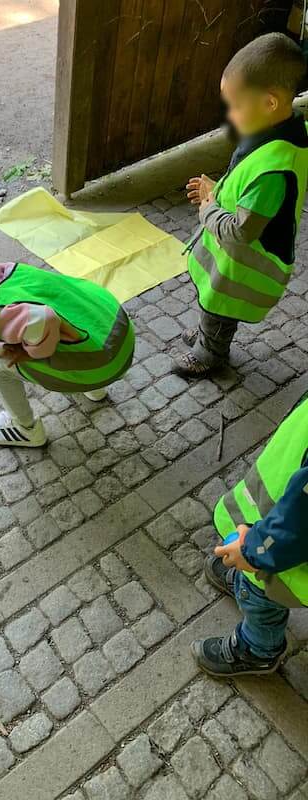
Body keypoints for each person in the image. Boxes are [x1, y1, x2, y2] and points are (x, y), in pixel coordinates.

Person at [0, 209, 135, 447]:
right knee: (69, 319)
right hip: (117, 331)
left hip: (104, 363)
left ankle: (25, 428)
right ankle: (96, 390)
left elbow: (43, 318)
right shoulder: (16, 272)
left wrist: (32, 351)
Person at [175, 32, 308, 376]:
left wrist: (208, 209)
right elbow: (244, 189)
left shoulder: (274, 170)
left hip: (245, 268)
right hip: (234, 263)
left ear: (269, 102)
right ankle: (208, 335)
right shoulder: (273, 133)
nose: (229, 116)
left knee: (220, 308)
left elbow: (241, 231)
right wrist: (217, 189)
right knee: (214, 306)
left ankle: (211, 354)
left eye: (235, 106)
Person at [192, 394, 308, 676]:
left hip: (285, 549)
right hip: (285, 524)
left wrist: (254, 551)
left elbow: (301, 522)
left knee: (264, 591)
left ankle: (259, 649)